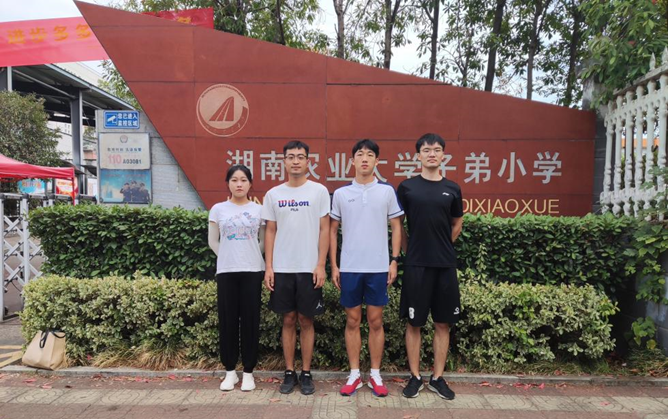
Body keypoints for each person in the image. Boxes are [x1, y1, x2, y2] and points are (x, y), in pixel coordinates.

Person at [329, 139, 403, 397]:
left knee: (375, 320)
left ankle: (374, 374)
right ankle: (354, 374)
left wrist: (394, 260)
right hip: (350, 268)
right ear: (352, 161)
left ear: (376, 161)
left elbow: (396, 226)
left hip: (378, 267)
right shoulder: (341, 194)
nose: (364, 159)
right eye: (360, 154)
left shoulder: (386, 192)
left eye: (369, 155)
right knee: (352, 320)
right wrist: (334, 265)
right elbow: (332, 230)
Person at [397, 133, 464, 400]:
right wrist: (409, 250)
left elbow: (457, 223)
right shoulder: (407, 187)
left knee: (442, 323)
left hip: (444, 265)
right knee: (414, 323)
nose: (432, 154)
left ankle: (437, 378)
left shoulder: (453, 188)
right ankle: (415, 377)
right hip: (416, 265)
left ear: (443, 155)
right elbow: (398, 224)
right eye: (426, 150)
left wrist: (442, 245)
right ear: (418, 156)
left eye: (436, 150)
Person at [262, 140, 330, 396]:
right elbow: (270, 231)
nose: (296, 161)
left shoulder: (319, 191)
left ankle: (306, 372)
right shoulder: (273, 194)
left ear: (308, 161)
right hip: (282, 268)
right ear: (284, 161)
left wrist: (320, 264)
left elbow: (325, 229)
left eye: (300, 157)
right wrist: (269, 267)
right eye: (291, 157)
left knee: (306, 319)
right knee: (288, 319)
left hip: (309, 267)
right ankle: (289, 371)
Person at [208, 165, 265, 392]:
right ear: (228, 183)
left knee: (250, 321)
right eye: (234, 180)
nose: (239, 184)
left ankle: (249, 372)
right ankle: (230, 371)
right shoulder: (218, 209)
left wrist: (249, 254)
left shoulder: (259, 210)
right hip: (226, 271)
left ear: (250, 183)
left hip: (252, 270)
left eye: (243, 180)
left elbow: (263, 241)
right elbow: (213, 241)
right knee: (228, 320)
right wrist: (228, 255)